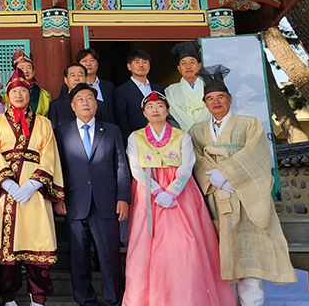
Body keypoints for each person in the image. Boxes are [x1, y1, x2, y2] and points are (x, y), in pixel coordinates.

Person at [188, 81, 296, 306]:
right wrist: (214, 179)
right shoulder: (196, 130)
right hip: (216, 198)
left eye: (220, 97)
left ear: (229, 99)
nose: (215, 102)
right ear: (205, 104)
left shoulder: (250, 124)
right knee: (221, 259)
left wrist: (228, 174)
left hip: (245, 196)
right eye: (210, 98)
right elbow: (195, 160)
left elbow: (257, 155)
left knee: (248, 256)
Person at [121, 91, 234, 306]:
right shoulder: (135, 137)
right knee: (146, 248)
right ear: (144, 112)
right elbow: (136, 168)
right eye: (150, 107)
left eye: (160, 106)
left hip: (181, 194)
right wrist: (157, 192)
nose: (155, 110)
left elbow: (187, 164)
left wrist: (171, 192)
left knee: (185, 245)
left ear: (168, 110)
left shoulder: (182, 135)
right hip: (149, 191)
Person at [0, 68, 63, 306]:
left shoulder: (44, 123)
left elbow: (50, 155)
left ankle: (37, 298)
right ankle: (8, 298)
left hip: (35, 192)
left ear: (30, 93)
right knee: (7, 246)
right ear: (7, 95)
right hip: (6, 194)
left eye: (23, 90)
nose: (18, 95)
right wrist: (8, 183)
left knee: (36, 243)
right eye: (14, 91)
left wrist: (33, 184)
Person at [54, 83, 129, 306]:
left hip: (106, 203)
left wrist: (123, 197)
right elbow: (58, 168)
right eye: (80, 100)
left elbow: (121, 166)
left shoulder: (112, 130)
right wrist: (58, 198)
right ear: (73, 106)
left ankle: (114, 300)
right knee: (78, 258)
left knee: (110, 258)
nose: (85, 103)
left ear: (96, 105)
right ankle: (85, 301)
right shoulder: (61, 132)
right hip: (75, 203)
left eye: (89, 99)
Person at [114, 50, 167, 137]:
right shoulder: (121, 91)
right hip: (136, 139)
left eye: (145, 62)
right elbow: (122, 121)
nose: (141, 65)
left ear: (149, 66)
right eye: (137, 62)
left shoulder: (158, 89)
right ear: (129, 66)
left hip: (160, 137)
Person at [48, 63, 114, 129]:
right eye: (72, 75)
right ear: (66, 80)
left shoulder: (99, 105)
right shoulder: (55, 105)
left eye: (80, 75)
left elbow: (106, 130)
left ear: (85, 79)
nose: (76, 78)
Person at [165, 41, 211, 129]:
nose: (188, 67)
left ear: (199, 65)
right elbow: (173, 115)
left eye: (192, 62)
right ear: (179, 69)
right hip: (183, 135)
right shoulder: (170, 91)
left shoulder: (210, 86)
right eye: (184, 63)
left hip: (210, 133)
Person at [74, 48, 115, 116]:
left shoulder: (108, 86)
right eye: (85, 61)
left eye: (92, 60)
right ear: (79, 65)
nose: (88, 64)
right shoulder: (72, 86)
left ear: (97, 64)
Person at [11, 49, 50, 117]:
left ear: (34, 72)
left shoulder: (45, 95)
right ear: (14, 72)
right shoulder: (7, 96)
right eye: (21, 68)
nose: (25, 71)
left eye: (29, 68)